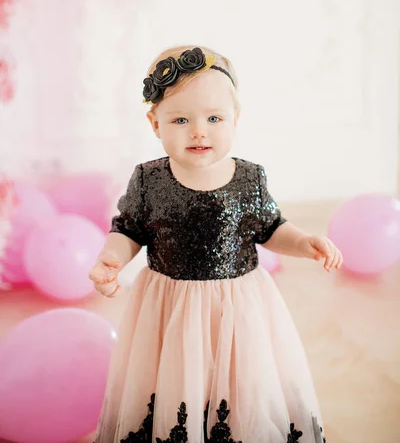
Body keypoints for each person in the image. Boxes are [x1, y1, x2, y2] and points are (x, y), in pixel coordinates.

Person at [89, 46, 342, 443]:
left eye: (214, 118)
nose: (198, 130)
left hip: (236, 307)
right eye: (180, 119)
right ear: (155, 124)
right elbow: (129, 229)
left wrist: (303, 241)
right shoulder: (148, 180)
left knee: (241, 379)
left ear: (235, 120)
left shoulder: (249, 178)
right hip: (169, 307)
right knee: (175, 377)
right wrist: (111, 259)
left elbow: (271, 227)